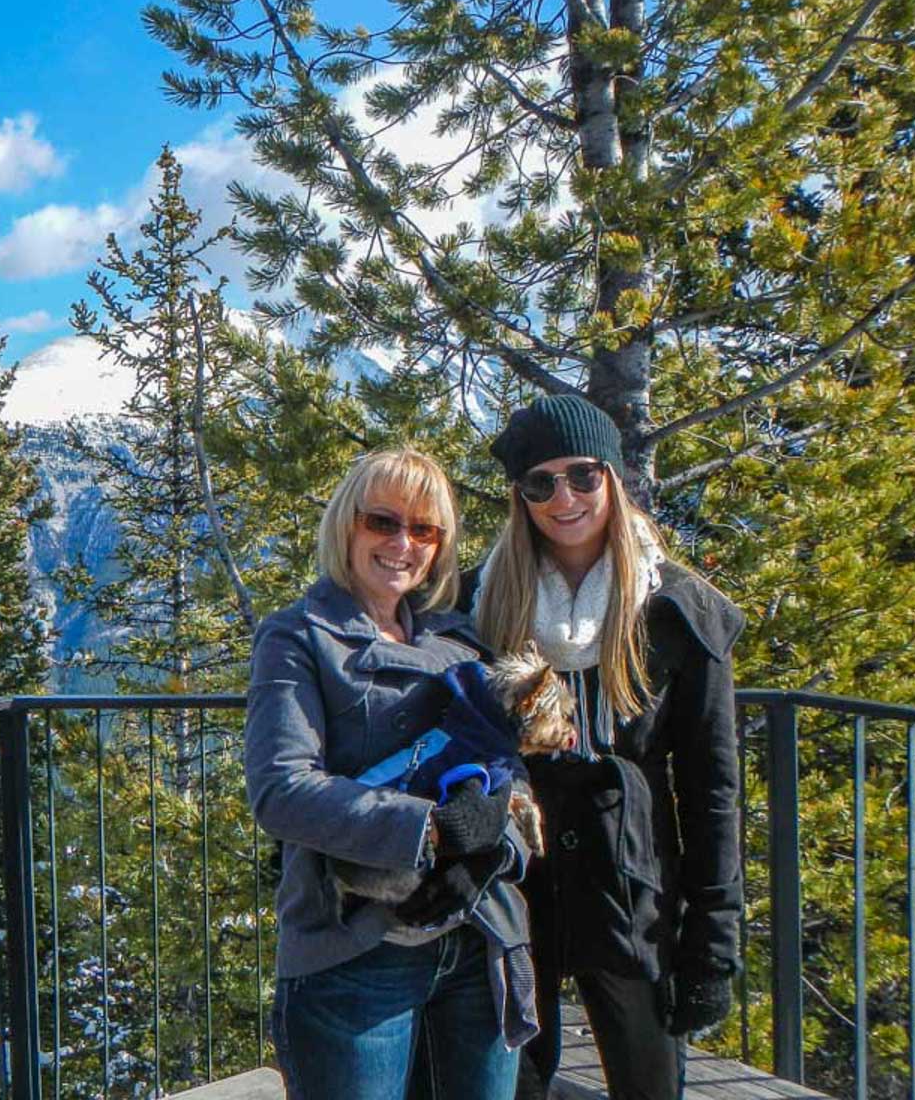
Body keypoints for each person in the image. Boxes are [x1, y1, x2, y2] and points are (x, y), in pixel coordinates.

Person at [460, 395, 745, 1100]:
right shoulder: (480, 603)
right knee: (512, 1084)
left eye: (583, 475)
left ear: (613, 478)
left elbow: (712, 785)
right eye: (540, 482)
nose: (565, 497)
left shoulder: (678, 609)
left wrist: (714, 940)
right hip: (516, 882)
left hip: (634, 889)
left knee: (648, 1084)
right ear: (519, 497)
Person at [244, 447, 537, 1100]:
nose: (403, 543)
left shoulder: (461, 640)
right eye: (383, 522)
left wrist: (492, 836)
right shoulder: (298, 637)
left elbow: (511, 768)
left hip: (478, 939)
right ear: (347, 524)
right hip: (356, 953)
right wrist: (431, 830)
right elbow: (280, 790)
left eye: (424, 529)